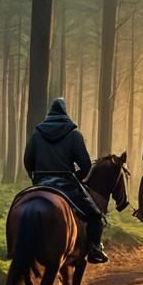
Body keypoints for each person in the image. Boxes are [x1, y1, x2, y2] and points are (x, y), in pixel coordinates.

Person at [23, 97, 109, 264]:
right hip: (66, 183)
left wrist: (35, 178)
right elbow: (85, 164)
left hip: (41, 182)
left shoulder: (37, 133)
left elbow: (27, 159)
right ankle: (95, 249)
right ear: (65, 112)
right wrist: (77, 176)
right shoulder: (74, 134)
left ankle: (15, 248)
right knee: (95, 216)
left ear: (50, 113)